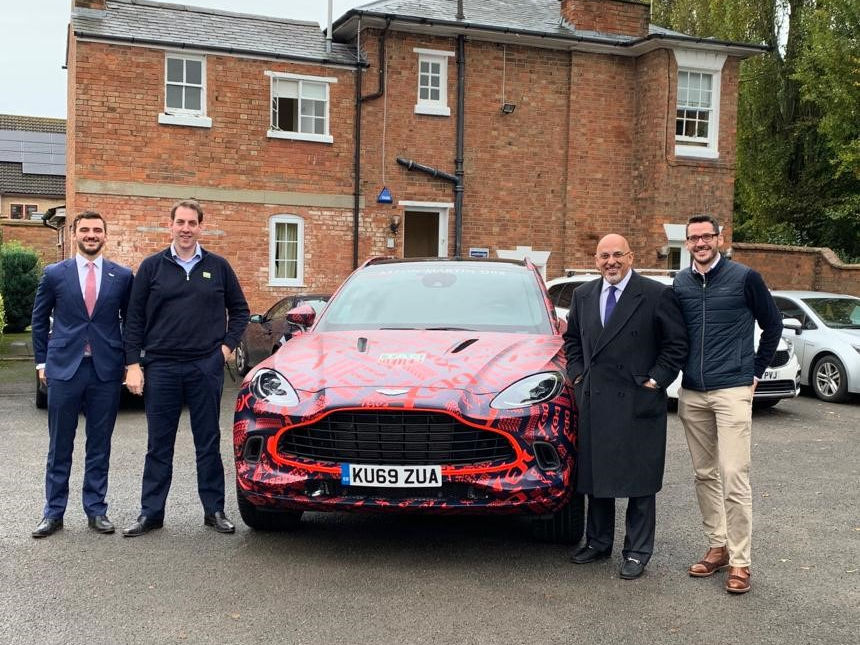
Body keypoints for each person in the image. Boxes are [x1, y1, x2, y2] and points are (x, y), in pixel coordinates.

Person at [122, 199, 249, 537]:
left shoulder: (218, 267)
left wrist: (224, 349)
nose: (186, 228)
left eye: (192, 223)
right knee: (158, 444)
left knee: (207, 441)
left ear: (200, 227)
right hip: (161, 367)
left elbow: (240, 311)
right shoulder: (151, 267)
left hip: (204, 367)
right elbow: (133, 319)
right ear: (171, 225)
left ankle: (214, 511)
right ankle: (151, 513)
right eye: (180, 222)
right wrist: (133, 364)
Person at [563, 234, 687, 579]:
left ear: (630, 257)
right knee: (596, 476)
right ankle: (598, 542)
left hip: (638, 399)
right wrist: (577, 376)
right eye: (604, 256)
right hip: (595, 399)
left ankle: (637, 551)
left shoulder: (656, 294)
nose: (611, 262)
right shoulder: (584, 295)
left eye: (618, 255)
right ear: (595, 260)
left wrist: (656, 380)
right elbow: (572, 340)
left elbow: (675, 345)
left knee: (640, 481)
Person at [673, 214, 782, 594]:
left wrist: (754, 372)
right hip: (693, 392)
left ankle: (740, 561)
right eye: (693, 238)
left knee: (734, 475)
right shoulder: (681, 281)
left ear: (720, 239)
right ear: (687, 244)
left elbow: (773, 325)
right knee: (705, 474)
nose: (700, 243)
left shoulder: (744, 277)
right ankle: (717, 545)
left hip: (733, 389)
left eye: (707, 236)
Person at [30, 211, 134, 538]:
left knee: (99, 444)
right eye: (85, 230)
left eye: (97, 230)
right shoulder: (54, 274)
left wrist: (131, 363)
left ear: (106, 235)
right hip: (63, 370)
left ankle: (96, 509)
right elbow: (39, 318)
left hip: (104, 370)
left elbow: (131, 324)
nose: (91, 235)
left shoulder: (122, 276)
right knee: (60, 444)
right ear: (75, 234)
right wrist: (41, 363)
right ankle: (53, 512)